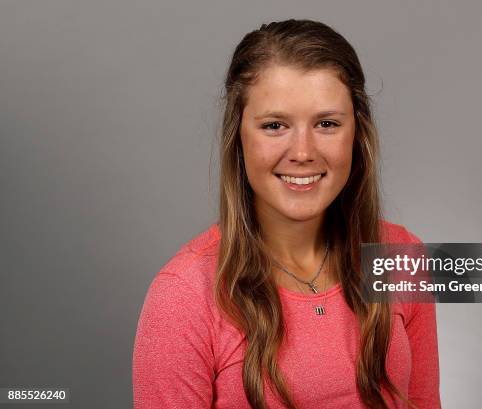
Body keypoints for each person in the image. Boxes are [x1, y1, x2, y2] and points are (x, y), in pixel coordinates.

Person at [132, 19, 440, 409]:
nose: (302, 152)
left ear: (356, 134)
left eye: (327, 124)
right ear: (239, 136)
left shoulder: (402, 255)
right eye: (275, 125)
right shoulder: (182, 294)